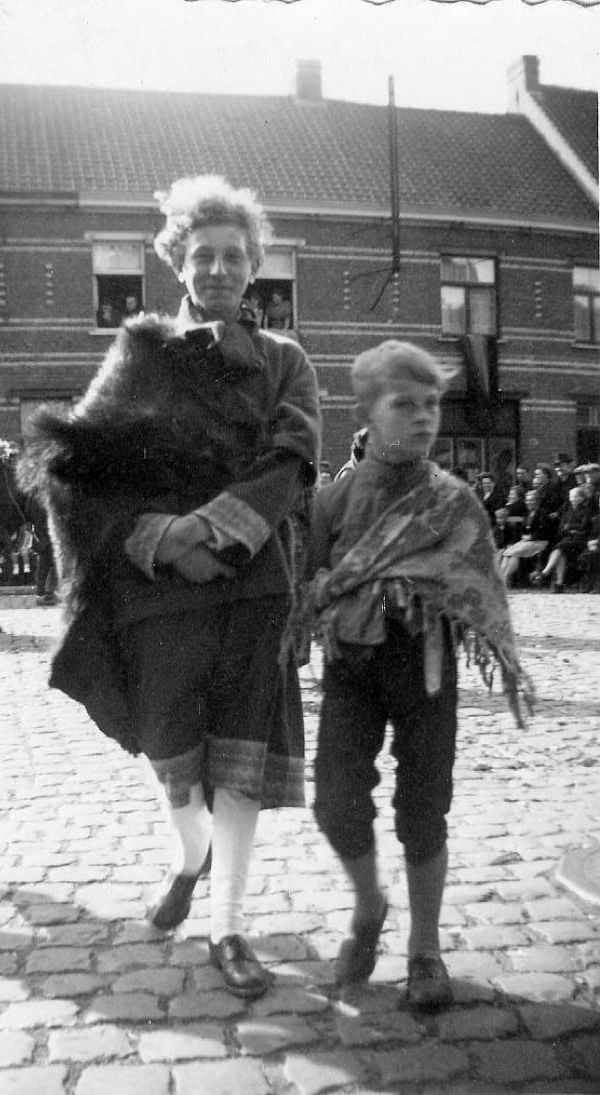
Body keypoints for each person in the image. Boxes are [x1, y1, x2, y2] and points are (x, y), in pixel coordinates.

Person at [19, 175, 321, 999]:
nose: (219, 267)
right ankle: (190, 856)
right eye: (204, 254)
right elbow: (75, 470)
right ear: (177, 263)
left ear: (255, 265)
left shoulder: (286, 362)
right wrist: (159, 539)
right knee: (169, 759)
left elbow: (290, 460)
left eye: (235, 254)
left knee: (240, 765)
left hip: (253, 590)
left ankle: (227, 926)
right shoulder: (136, 357)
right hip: (158, 597)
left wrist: (211, 530)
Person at [305, 340, 531, 1011]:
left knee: (423, 808)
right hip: (351, 666)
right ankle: (370, 905)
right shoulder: (334, 501)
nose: (426, 417)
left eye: (433, 404)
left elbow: (478, 584)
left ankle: (424, 949)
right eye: (407, 404)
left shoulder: (455, 501)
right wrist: (340, 591)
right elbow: (311, 584)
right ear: (367, 411)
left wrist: (419, 585)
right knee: (335, 799)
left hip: (424, 668)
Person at [532, 485, 594, 592]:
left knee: (560, 547)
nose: (572, 499)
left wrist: (569, 527)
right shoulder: (567, 512)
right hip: (567, 540)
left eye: (575, 497)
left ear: (581, 498)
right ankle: (559, 584)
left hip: (580, 540)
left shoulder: (586, 511)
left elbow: (584, 527)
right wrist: (571, 529)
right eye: (571, 497)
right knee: (561, 553)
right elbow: (561, 529)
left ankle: (545, 572)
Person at [499, 489, 555, 587]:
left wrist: (530, 537)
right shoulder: (527, 515)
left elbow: (544, 532)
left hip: (540, 542)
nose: (529, 502)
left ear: (537, 500)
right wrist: (525, 537)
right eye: (527, 500)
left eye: (531, 500)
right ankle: (501, 577)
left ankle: (505, 578)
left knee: (514, 553)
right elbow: (523, 530)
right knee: (507, 552)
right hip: (526, 542)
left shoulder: (543, 514)